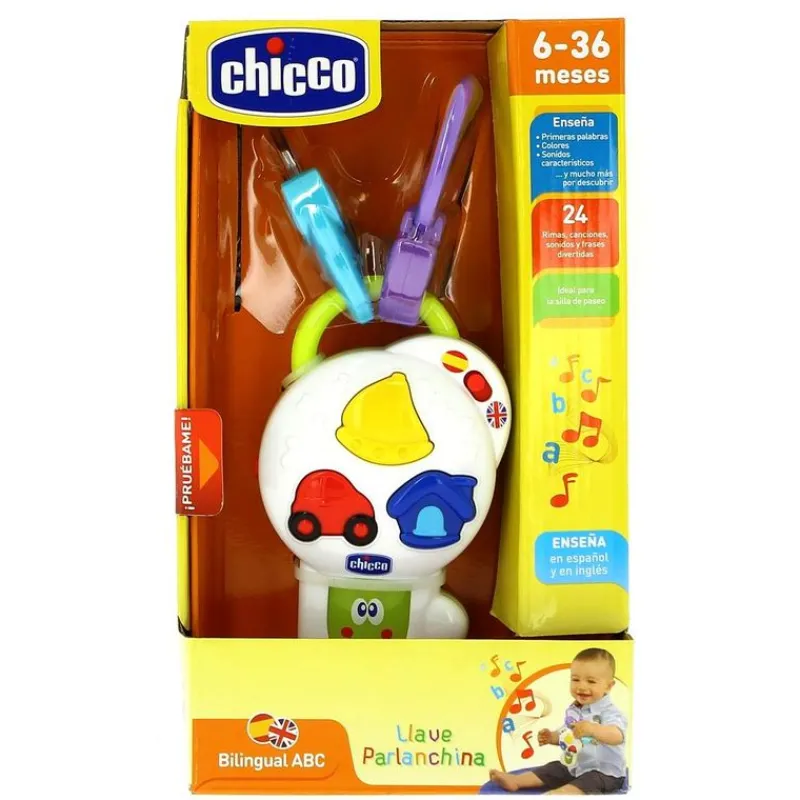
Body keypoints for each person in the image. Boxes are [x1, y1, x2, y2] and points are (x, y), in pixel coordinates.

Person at [489, 648, 627, 795]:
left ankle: (561, 794)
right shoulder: (576, 709)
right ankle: (516, 781)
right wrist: (552, 737)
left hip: (605, 773)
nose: (581, 686)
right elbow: (567, 734)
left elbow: (618, 735)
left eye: (591, 681)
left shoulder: (609, 712)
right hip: (576, 766)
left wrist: (593, 729)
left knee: (589, 781)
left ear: (608, 686)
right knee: (554, 768)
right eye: (575, 679)